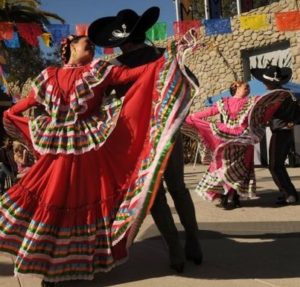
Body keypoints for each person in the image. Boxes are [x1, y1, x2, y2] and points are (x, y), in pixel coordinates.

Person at [0, 34, 185, 286]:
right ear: (71, 47)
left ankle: (71, 265)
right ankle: (49, 269)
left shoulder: (100, 69)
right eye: (85, 42)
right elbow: (29, 102)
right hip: (57, 155)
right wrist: (11, 114)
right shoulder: (47, 76)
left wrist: (167, 61)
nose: (92, 44)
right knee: (52, 203)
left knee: (83, 205)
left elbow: (133, 76)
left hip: (89, 152)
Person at [88, 6, 202, 273]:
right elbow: (190, 84)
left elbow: (102, 104)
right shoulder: (164, 57)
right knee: (177, 187)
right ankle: (193, 241)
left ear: (121, 41)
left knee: (154, 194)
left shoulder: (112, 68)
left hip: (136, 140)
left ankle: (175, 248)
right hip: (166, 132)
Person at [185, 80, 288, 207]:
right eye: (246, 86)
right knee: (224, 166)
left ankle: (232, 196)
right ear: (236, 87)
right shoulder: (224, 102)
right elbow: (209, 112)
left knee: (240, 168)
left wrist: (278, 100)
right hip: (226, 137)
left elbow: (264, 111)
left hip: (243, 139)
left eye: (249, 87)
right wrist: (191, 118)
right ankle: (226, 195)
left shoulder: (252, 101)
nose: (249, 89)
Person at [251, 64, 299, 205]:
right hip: (283, 131)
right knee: (278, 165)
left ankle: (289, 195)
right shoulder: (284, 94)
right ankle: (290, 192)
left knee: (274, 165)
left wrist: (289, 121)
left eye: (266, 82)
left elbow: (292, 114)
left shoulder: (280, 96)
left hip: (282, 132)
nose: (264, 84)